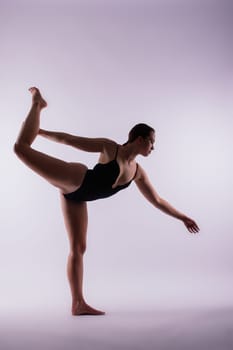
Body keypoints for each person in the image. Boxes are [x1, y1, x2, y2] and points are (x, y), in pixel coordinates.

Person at [14, 87, 200, 316]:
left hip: (77, 198)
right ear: (140, 139)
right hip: (76, 179)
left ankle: (78, 304)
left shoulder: (138, 172)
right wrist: (41, 132)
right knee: (20, 148)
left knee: (78, 248)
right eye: (152, 142)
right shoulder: (110, 148)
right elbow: (69, 140)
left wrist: (182, 217)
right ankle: (37, 104)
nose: (153, 147)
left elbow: (158, 200)